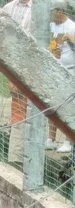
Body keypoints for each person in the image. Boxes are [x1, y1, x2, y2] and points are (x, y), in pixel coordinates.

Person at [2, 0, 33, 163]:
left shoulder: (37, 9)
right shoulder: (9, 7)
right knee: (18, 104)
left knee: (27, 108)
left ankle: (18, 157)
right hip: (13, 61)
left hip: (30, 62)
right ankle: (16, 156)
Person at [46, 0, 75, 153]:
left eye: (53, 12)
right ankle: (50, 138)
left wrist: (71, 40)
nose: (52, 15)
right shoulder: (51, 26)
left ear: (61, 11)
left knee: (68, 106)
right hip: (53, 69)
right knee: (52, 104)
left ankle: (67, 141)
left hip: (69, 71)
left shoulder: (72, 27)